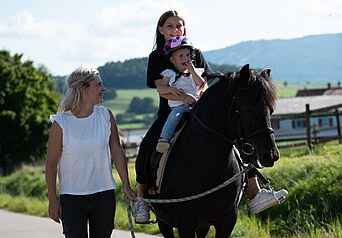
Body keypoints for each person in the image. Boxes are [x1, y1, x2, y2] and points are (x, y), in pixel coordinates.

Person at [134, 10, 287, 224]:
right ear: (160, 30)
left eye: (179, 25)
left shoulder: (194, 53)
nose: (175, 29)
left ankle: (255, 193)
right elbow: (160, 86)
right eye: (170, 26)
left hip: (200, 110)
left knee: (236, 141)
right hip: (171, 111)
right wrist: (182, 95)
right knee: (147, 147)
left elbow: (209, 80)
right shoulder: (157, 57)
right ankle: (142, 201)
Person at [45, 67, 135, 238]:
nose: (104, 89)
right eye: (98, 85)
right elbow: (51, 163)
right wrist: (53, 199)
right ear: (82, 88)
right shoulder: (61, 123)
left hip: (104, 195)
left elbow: (116, 150)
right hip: (72, 198)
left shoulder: (105, 116)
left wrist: (126, 184)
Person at [156, 36, 207, 153]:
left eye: (188, 55)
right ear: (172, 60)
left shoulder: (195, 73)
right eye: (181, 56)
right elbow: (160, 89)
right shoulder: (170, 74)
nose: (186, 58)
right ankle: (164, 139)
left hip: (197, 105)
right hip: (179, 105)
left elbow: (202, 85)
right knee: (174, 116)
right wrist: (171, 89)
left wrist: (193, 71)